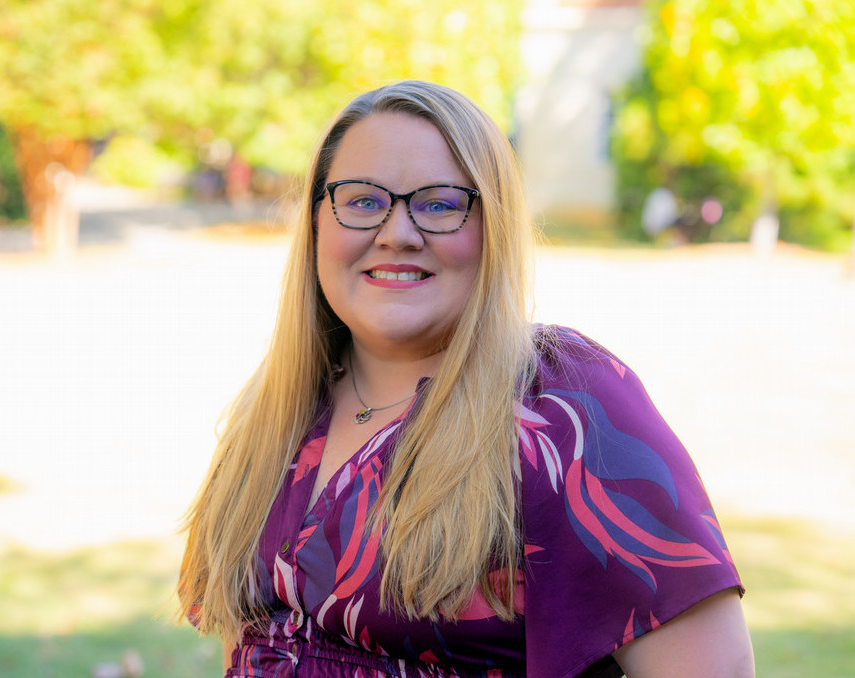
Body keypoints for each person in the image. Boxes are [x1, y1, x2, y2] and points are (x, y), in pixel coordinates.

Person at [178, 81, 754, 678]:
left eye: (439, 203)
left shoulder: (565, 406)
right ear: (319, 221)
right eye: (362, 199)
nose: (397, 232)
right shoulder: (277, 409)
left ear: (493, 225)